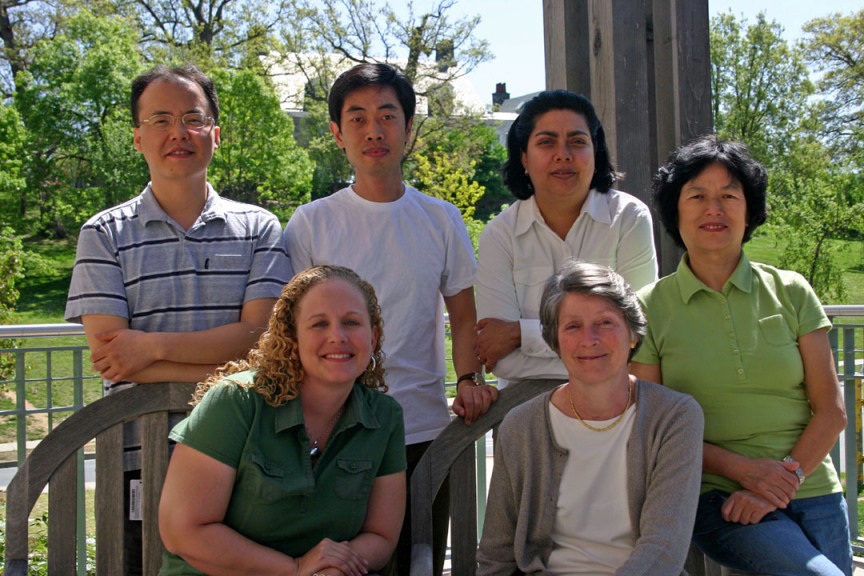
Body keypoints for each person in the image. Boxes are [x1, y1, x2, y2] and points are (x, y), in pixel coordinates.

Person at [64, 63, 292, 574]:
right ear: (137, 137)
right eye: (160, 120)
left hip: (248, 455)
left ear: (215, 133)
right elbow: (114, 360)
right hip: (137, 451)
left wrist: (150, 348)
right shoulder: (102, 234)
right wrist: (226, 371)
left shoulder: (260, 227)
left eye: (192, 118)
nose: (178, 133)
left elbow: (261, 342)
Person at [284, 62, 496, 576]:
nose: (373, 130)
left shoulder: (441, 218)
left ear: (408, 127)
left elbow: (464, 317)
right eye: (356, 118)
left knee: (416, 560)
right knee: (335, 564)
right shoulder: (311, 222)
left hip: (421, 427)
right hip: (331, 431)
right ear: (336, 133)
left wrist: (469, 378)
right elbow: (291, 330)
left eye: (387, 115)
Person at [631, 135, 853, 576]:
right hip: (716, 495)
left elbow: (832, 411)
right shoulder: (648, 307)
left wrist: (777, 483)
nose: (714, 208)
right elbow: (654, 425)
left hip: (811, 485)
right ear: (675, 211)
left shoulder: (791, 290)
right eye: (697, 196)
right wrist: (747, 473)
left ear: (749, 210)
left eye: (729, 195)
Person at [158, 265, 406, 575]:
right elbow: (184, 531)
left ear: (373, 336)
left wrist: (333, 569)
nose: (337, 336)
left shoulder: (385, 416)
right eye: (319, 324)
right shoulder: (237, 402)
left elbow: (381, 535)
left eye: (352, 322)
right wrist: (295, 569)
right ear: (292, 336)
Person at [477, 260, 703, 575]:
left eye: (605, 322)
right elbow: (496, 555)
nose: (589, 339)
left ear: (633, 333)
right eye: (572, 326)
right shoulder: (522, 426)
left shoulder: (674, 418)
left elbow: (663, 550)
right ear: (555, 341)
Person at [475, 90, 657, 386]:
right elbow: (503, 360)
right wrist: (602, 351)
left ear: (595, 153)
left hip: (615, 409)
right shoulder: (500, 235)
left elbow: (639, 338)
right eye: (546, 142)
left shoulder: (629, 218)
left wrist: (520, 334)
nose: (563, 154)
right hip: (525, 414)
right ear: (524, 157)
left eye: (577, 141)